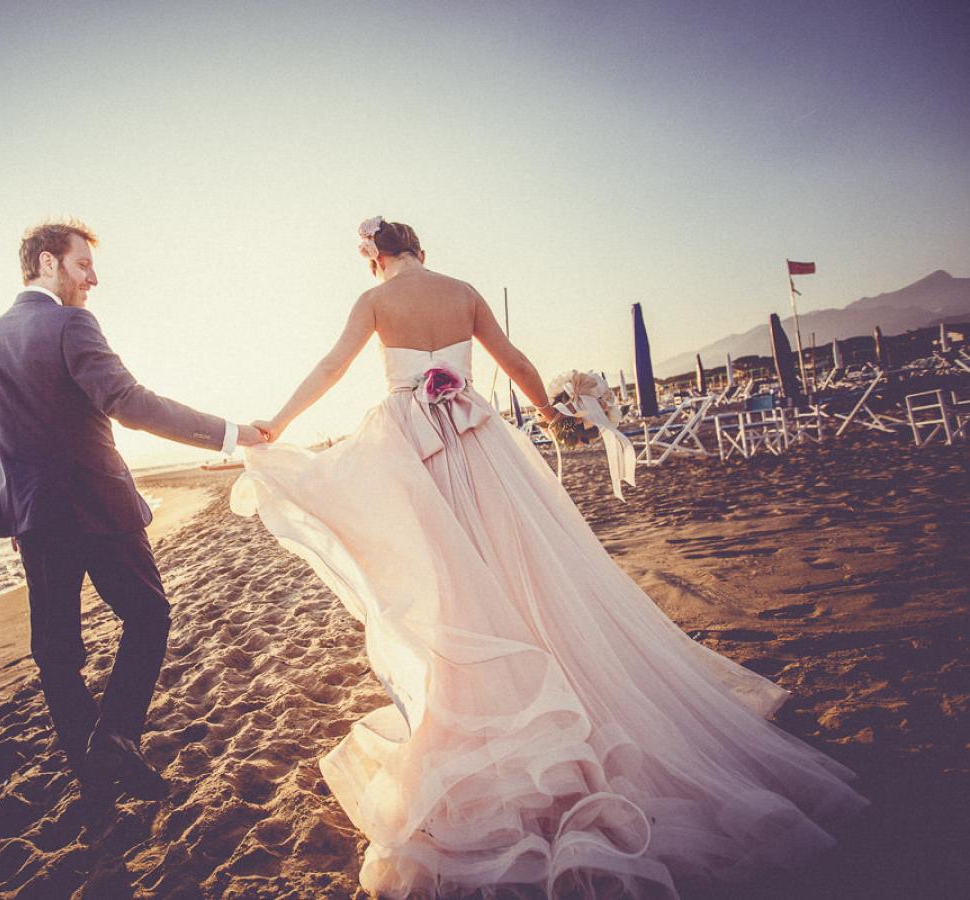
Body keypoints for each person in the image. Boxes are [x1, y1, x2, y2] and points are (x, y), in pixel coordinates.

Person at [231, 217, 869, 899]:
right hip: (483, 445)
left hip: (418, 456)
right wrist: (553, 412)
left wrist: (279, 424)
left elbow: (333, 366)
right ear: (420, 248)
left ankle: (487, 698)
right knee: (527, 564)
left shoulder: (375, 300)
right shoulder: (463, 288)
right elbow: (518, 365)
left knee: (455, 581)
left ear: (374, 257)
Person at [0, 218, 265, 800]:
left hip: (36, 518)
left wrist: (12, 510)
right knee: (149, 616)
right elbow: (128, 403)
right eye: (84, 265)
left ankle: (95, 776)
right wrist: (231, 434)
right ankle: (116, 738)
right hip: (99, 505)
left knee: (56, 654)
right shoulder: (69, 322)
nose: (93, 279)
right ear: (48, 264)